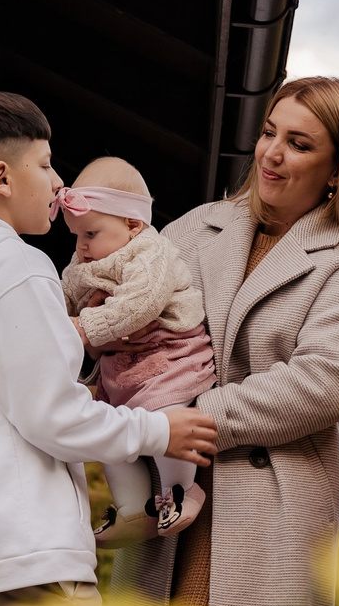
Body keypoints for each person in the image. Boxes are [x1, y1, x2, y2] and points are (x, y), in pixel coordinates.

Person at [0, 89, 218, 606]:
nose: (59, 182)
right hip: (24, 565)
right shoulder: (17, 266)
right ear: (2, 178)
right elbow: (53, 416)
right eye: (44, 164)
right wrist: (159, 430)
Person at [121, 76, 339, 606]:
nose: (272, 153)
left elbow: (325, 379)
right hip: (168, 496)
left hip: (267, 507)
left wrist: (195, 413)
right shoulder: (197, 228)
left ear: (336, 171)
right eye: (270, 133)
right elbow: (129, 310)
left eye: (299, 144)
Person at [57, 155, 218, 544]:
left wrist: (84, 327)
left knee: (165, 422)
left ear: (132, 224)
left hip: (167, 358)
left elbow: (140, 305)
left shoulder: (150, 253)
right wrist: (61, 320)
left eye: (90, 233)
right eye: (76, 236)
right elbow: (63, 300)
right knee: (111, 439)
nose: (81, 246)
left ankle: (181, 491)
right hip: (121, 372)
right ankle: (134, 510)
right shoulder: (83, 262)